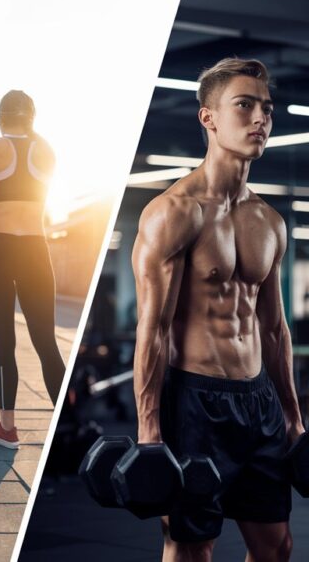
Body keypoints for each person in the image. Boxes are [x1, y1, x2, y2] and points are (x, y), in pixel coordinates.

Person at [132, 58, 303, 561]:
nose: (260, 120)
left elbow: (274, 330)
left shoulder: (269, 221)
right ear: (208, 117)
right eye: (245, 105)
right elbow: (154, 329)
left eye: (267, 110)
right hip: (194, 403)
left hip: (259, 402)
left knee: (277, 547)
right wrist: (149, 430)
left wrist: (293, 418)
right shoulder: (174, 212)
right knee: (191, 546)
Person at [0, 90, 65, 449]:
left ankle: (7, 429)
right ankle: (63, 427)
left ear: (0, 117)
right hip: (35, 250)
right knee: (47, 343)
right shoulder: (48, 151)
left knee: (4, 343)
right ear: (32, 117)